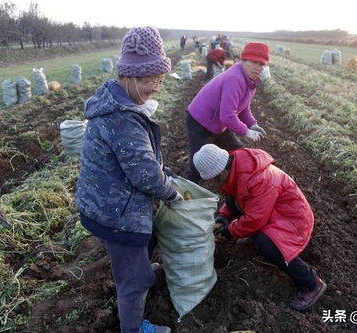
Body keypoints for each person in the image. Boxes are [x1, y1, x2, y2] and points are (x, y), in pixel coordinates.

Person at [76, 26, 183, 333]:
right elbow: (145, 173)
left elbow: (137, 160)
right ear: (132, 76)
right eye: (154, 81)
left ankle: (135, 269)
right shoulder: (123, 118)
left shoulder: (115, 103)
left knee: (138, 255)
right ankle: (134, 328)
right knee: (135, 281)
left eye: (161, 80)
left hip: (103, 203)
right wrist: (172, 193)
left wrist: (164, 172)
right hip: (115, 215)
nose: (158, 89)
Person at [193, 144, 327, 311]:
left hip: (293, 218)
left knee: (266, 243)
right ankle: (255, 235)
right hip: (271, 211)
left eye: (215, 179)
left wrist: (229, 231)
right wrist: (223, 216)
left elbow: (255, 220)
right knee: (231, 202)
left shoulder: (258, 179)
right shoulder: (236, 168)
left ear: (221, 172)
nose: (214, 183)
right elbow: (235, 198)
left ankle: (311, 284)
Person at [186, 42, 270, 182]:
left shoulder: (250, 81)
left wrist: (253, 124)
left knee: (238, 151)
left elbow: (243, 109)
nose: (258, 68)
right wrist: (247, 132)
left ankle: (235, 184)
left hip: (218, 123)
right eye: (254, 62)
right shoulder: (235, 78)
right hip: (200, 122)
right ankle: (187, 196)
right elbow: (227, 116)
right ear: (243, 60)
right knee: (199, 165)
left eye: (261, 64)